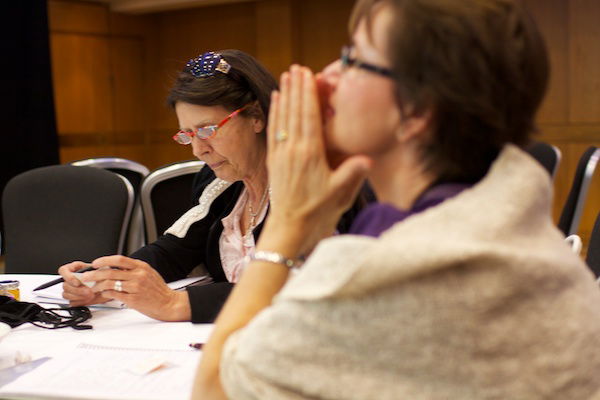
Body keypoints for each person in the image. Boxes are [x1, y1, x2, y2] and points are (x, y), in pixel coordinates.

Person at [193, 1, 600, 399]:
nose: (329, 75)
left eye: (354, 59)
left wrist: (289, 225)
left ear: (418, 109)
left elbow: (214, 388)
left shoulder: (409, 274)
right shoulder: (507, 229)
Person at [58, 49, 365, 323]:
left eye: (207, 129)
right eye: (187, 134)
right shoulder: (222, 184)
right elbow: (174, 251)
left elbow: (300, 286)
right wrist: (108, 280)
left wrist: (177, 303)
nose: (198, 150)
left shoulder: (308, 181)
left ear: (256, 116)